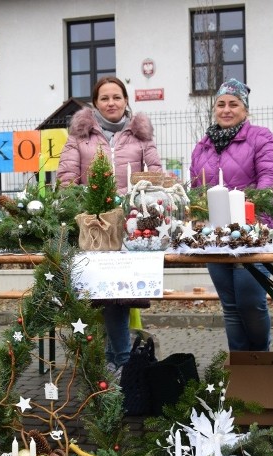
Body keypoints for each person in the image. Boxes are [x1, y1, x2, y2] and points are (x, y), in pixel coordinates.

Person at [57, 76, 163, 374]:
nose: (111, 103)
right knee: (105, 296)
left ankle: (117, 360)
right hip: (96, 226)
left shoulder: (142, 138)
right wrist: (91, 205)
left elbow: (155, 176)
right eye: (105, 98)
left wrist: (133, 200)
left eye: (117, 97)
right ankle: (119, 360)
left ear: (126, 101)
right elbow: (67, 181)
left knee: (118, 294)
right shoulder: (80, 137)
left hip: (132, 227)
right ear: (96, 103)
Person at [190, 78, 273, 352]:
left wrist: (245, 210)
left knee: (250, 302)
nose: (226, 109)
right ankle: (242, 370)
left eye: (234, 104)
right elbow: (196, 188)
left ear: (245, 109)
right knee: (230, 307)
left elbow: (271, 178)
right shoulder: (203, 146)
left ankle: (261, 359)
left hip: (253, 234)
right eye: (221, 104)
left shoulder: (261, 138)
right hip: (215, 237)